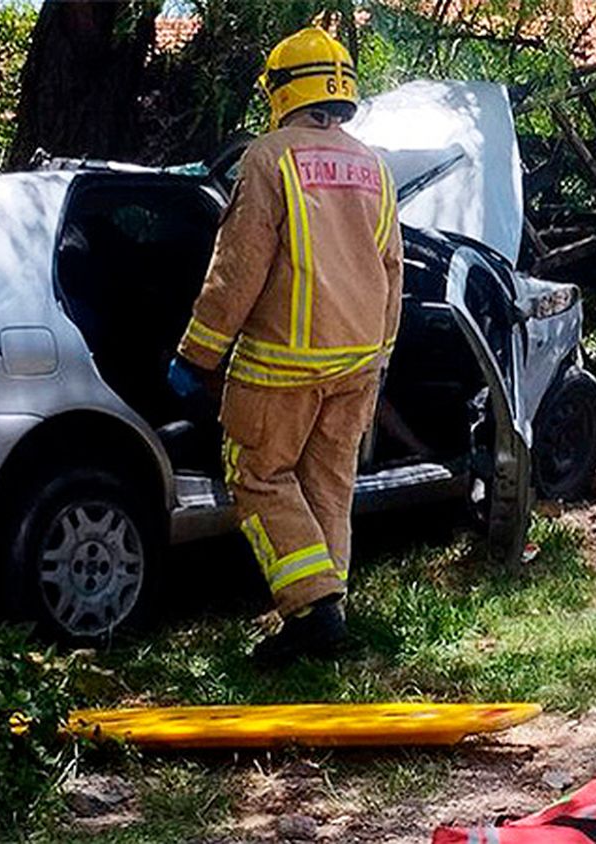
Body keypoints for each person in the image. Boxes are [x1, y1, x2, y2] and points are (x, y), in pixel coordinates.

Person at [169, 25, 403, 665]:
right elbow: (391, 269)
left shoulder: (268, 158)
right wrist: (380, 352)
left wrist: (198, 354)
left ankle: (312, 607)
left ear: (279, 91)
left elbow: (238, 267)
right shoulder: (374, 166)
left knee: (259, 474)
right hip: (357, 361)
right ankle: (328, 612)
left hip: (280, 363)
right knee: (329, 482)